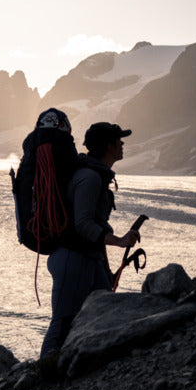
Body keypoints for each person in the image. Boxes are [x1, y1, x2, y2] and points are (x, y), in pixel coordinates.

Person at [39, 121, 141, 360]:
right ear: (108, 145)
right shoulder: (90, 177)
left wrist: (105, 265)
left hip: (87, 259)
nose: (123, 143)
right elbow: (83, 224)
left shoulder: (95, 175)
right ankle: (40, 379)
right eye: (119, 139)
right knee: (63, 321)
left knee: (105, 313)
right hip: (72, 259)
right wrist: (119, 241)